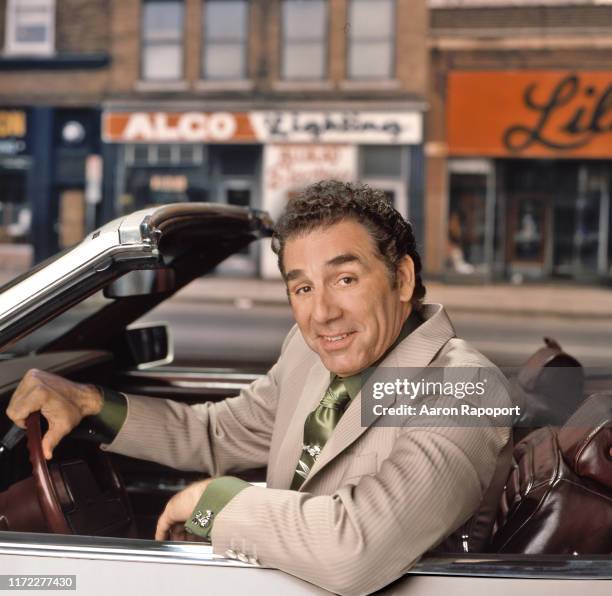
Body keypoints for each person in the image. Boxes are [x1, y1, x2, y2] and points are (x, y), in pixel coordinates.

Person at [7, 180, 512, 595]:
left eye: (345, 280)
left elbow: (356, 547)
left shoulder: (464, 387)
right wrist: (91, 402)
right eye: (303, 288)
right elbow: (218, 434)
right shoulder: (309, 351)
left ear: (401, 278)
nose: (321, 314)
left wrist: (217, 501)